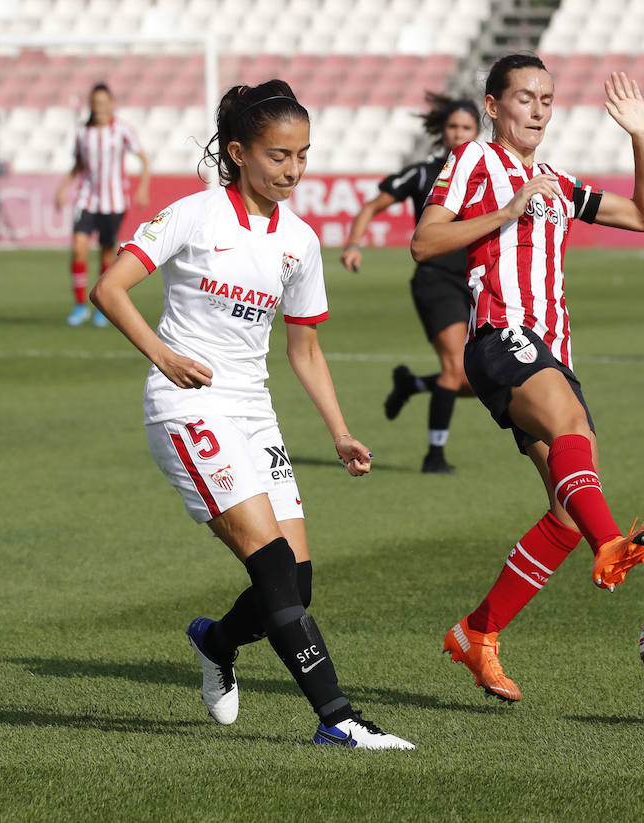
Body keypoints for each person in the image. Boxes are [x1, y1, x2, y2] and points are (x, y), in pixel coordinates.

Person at [91, 79, 413, 750]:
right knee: (270, 569)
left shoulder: (299, 241)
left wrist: (341, 430)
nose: (292, 169)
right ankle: (338, 717)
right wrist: (163, 354)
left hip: (252, 412)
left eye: (302, 155)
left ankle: (216, 639)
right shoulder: (195, 215)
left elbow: (305, 347)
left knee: (297, 580)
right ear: (238, 153)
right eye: (278, 155)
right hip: (186, 406)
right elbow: (110, 287)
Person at [411, 55, 644, 702]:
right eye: (524, 97)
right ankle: (611, 542)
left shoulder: (557, 180)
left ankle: (478, 632)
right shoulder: (475, 159)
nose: (537, 108)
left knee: (564, 508)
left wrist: (641, 135)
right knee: (571, 428)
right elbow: (425, 241)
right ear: (494, 106)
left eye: (547, 99)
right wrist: (506, 212)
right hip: (502, 337)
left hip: (550, 352)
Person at [340, 93, 481, 474]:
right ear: (443, 131)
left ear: (477, 132)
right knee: (454, 370)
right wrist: (354, 244)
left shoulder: (487, 175)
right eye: (453, 126)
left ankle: (412, 385)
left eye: (466, 127)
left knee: (477, 379)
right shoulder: (423, 173)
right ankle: (434, 456)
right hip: (435, 280)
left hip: (475, 283)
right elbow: (371, 206)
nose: (458, 133)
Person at [56, 83, 151, 327]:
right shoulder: (83, 133)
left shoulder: (121, 130)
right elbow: (78, 164)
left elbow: (143, 158)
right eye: (95, 103)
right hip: (87, 198)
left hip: (114, 201)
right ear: (91, 105)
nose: (99, 107)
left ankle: (101, 305)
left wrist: (142, 187)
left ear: (110, 104)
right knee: (78, 248)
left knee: (106, 253)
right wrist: (64, 188)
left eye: (103, 102)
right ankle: (79, 306)